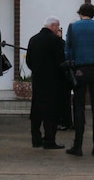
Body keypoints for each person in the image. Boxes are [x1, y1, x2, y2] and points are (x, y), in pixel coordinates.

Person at [64, 2, 94, 158]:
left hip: (79, 69)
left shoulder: (72, 27)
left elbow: (68, 49)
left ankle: (78, 145)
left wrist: (72, 63)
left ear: (80, 12)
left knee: (79, 107)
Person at [26, 16, 66, 150]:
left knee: (36, 108)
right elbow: (61, 61)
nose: (58, 30)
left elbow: (29, 61)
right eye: (58, 27)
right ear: (53, 26)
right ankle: (49, 140)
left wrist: (37, 71)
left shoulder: (33, 39)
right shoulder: (56, 41)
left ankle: (35, 139)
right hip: (53, 81)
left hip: (38, 79)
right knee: (51, 111)